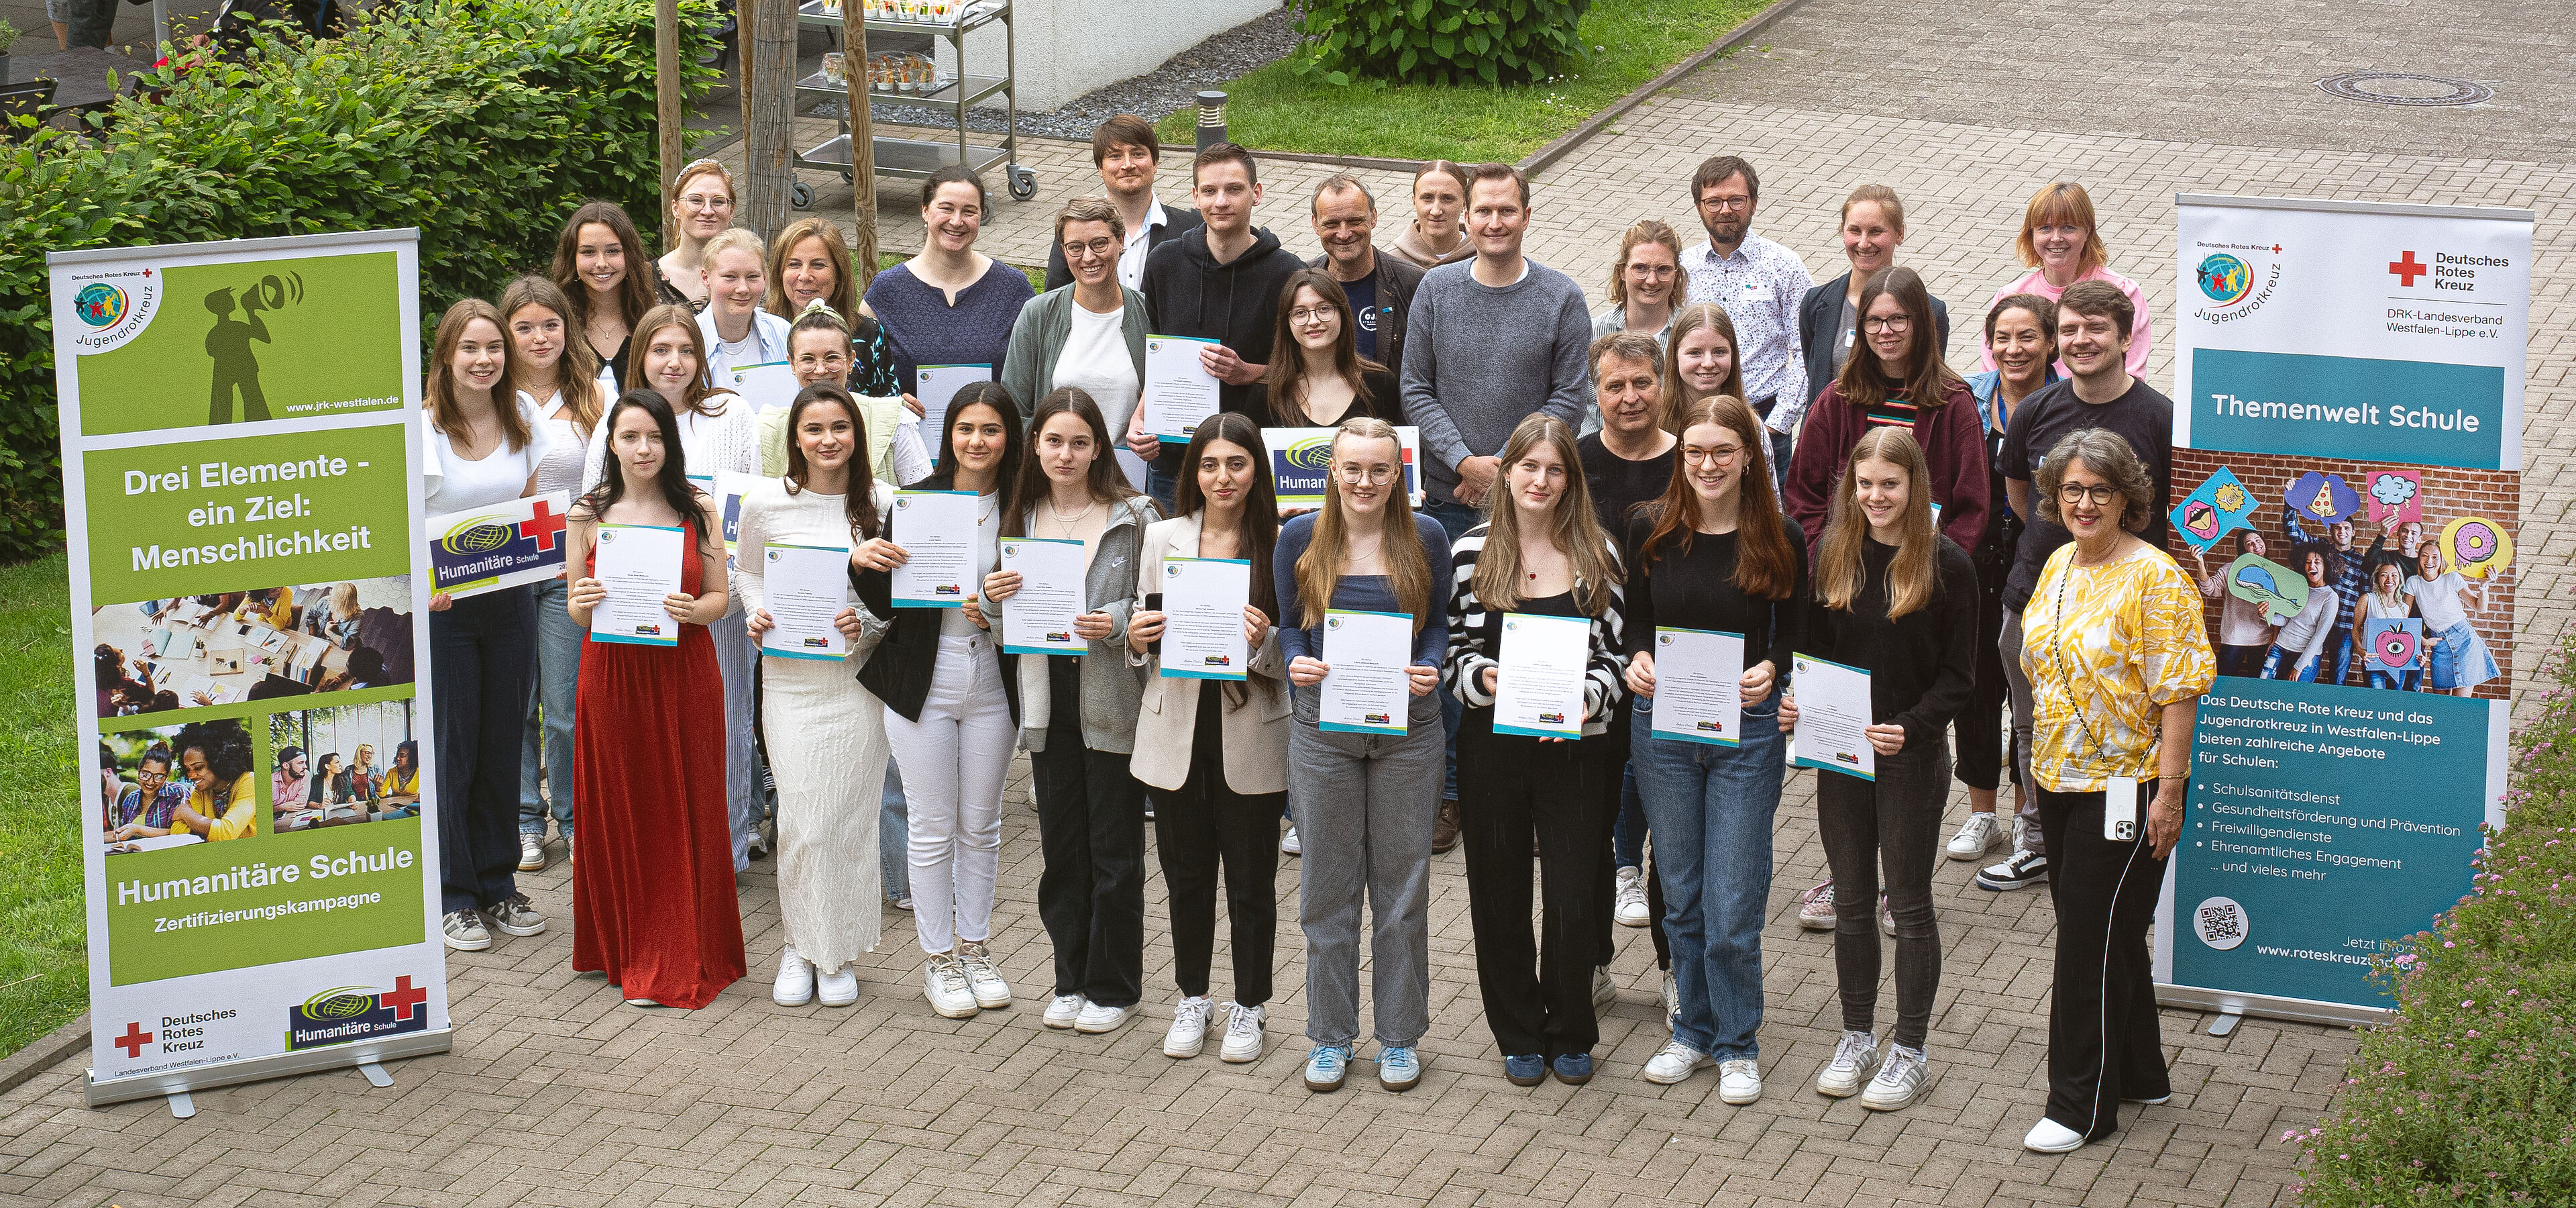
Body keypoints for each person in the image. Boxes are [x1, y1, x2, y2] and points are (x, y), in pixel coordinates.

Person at [2016, 428, 2213, 1152]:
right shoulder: (2061, 562)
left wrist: (2170, 793)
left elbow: (2181, 692)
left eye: (2101, 490)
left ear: (2127, 496)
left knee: (2086, 947)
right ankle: (2140, 1071)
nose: (2086, 502)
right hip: (2058, 779)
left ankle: (2078, 1107)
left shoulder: (2156, 578)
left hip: (2127, 789)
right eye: (2073, 490)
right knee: (2106, 933)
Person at [1780, 427, 1978, 1112]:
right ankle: (1857, 1036)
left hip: (1909, 758)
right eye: (1864, 485)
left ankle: (1911, 1050)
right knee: (1853, 904)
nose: (1875, 497)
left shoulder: (1949, 566)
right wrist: (1795, 703)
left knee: (1911, 904)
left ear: (1914, 485)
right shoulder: (1834, 554)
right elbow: (1808, 648)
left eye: (1889, 485)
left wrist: (1913, 727)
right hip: (1840, 753)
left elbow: (1961, 679)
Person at [1399, 160, 1593, 840]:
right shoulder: (1436, 291)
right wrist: (1464, 460)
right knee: (1461, 641)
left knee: (1527, 634)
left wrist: (1510, 468)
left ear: (1527, 217)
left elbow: (1571, 394)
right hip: (1453, 497)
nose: (1493, 222)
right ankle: (1455, 791)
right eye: (1482, 212)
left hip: (1536, 499)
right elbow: (1415, 388)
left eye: (1506, 211)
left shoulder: (1562, 297)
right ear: (1465, 218)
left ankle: (1533, 780)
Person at [1622, 395, 1805, 1104]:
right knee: (1684, 899)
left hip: (1745, 735)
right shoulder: (1652, 528)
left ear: (1748, 458)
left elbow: (1795, 631)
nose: (1706, 464)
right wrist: (1637, 657)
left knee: (1733, 904)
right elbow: (1638, 619)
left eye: (1722, 452)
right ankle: (1691, 1031)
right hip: (1663, 730)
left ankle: (1738, 1042)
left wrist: (1773, 668)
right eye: (1695, 452)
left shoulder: (1780, 534)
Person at [1444, 414, 1629, 1088]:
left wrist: (1590, 699)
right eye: (1530, 467)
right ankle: (1518, 1029)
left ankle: (1571, 1026)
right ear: (1508, 472)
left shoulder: (1599, 554)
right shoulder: (1469, 554)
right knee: (1498, 893)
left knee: (1575, 894)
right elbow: (1452, 655)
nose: (1542, 480)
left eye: (1556, 470)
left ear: (1569, 481)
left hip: (1577, 749)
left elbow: (1614, 656)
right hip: (1493, 745)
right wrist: (1481, 679)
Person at [1275, 417, 1454, 1094]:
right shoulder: (1300, 536)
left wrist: (1430, 666)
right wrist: (1296, 663)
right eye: (1353, 468)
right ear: (1333, 471)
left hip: (1409, 724)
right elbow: (1291, 624)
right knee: (1327, 885)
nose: (1365, 482)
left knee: (1403, 887)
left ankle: (1400, 1037)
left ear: (1398, 473)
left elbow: (1435, 626)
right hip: (1324, 727)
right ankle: (1329, 1036)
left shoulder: (1426, 536)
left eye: (1380, 470)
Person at [1980, 279, 2173, 894]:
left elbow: (2169, 509)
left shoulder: (2159, 417)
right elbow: (2021, 493)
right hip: (2036, 595)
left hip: (2124, 607)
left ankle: (2114, 845)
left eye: (2095, 329)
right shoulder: (2036, 409)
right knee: (2034, 721)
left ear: (2125, 336)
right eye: (2069, 329)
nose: (2081, 340)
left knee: (2123, 725)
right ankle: (2038, 842)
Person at [985, 389, 1161, 1035]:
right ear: (1035, 446)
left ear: (1099, 448)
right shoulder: (1020, 516)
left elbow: (1156, 603)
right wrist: (991, 594)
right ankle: (1069, 978)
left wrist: (1113, 622)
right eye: (1054, 441)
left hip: (1111, 697)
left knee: (1115, 850)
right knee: (1062, 849)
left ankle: (1114, 988)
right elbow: (1002, 624)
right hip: (1046, 698)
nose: (1066, 454)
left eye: (1080, 442)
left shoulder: (1134, 516)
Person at [566, 390, 747, 1009]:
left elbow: (721, 596)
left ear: (671, 443)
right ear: (611, 444)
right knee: (625, 803)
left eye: (655, 438)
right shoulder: (586, 513)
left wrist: (694, 610)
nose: (643, 450)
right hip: (612, 674)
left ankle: (673, 948)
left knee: (685, 804)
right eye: (630, 437)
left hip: (684, 672)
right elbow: (571, 605)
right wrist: (583, 602)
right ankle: (624, 944)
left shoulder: (696, 510)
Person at [853, 383, 1026, 1019]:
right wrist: (864, 560)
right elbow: (884, 603)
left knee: (980, 824)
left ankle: (976, 948)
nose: (977, 442)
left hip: (992, 682)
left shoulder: (1022, 508)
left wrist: (1007, 603)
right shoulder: (917, 501)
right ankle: (938, 961)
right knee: (931, 825)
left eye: (991, 429)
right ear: (947, 434)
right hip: (922, 680)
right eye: (965, 429)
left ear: (1010, 437)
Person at [1124, 413, 1287, 1062]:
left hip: (1251, 731)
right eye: (1210, 464)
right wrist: (1137, 640)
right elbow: (1144, 626)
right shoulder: (1163, 537)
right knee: (1185, 876)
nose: (1223, 477)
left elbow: (1295, 652)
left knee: (1252, 880)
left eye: (1237, 464)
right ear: (1193, 471)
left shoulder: (1280, 542)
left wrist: (1264, 644)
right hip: (1177, 730)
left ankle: (1251, 1004)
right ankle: (1194, 995)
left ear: (1257, 472)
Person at [739, 385, 898, 1008]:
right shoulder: (764, 503)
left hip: (855, 683)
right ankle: (798, 945)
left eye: (840, 427)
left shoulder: (882, 503)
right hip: (790, 680)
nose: (828, 440)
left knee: (848, 819)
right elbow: (748, 571)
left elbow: (899, 602)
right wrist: (757, 613)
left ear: (857, 435)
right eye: (814, 429)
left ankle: (836, 953)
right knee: (804, 820)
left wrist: (867, 622)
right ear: (794, 438)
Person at [590, 305, 764, 870]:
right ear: (640, 355)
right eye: (661, 350)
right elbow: (595, 512)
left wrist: (724, 595)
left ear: (702, 357)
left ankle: (728, 850)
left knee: (726, 726)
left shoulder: (730, 414)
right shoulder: (617, 419)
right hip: (635, 611)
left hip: (715, 595)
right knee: (654, 743)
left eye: (686, 350)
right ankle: (664, 856)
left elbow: (746, 508)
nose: (675, 362)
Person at [422, 298, 552, 952]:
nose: (484, 360)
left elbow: (528, 506)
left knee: (504, 744)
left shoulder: (525, 416)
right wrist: (424, 581)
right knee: (455, 751)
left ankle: (499, 885)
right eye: (470, 349)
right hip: (445, 615)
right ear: (447, 355)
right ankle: (454, 896)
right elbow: (398, 526)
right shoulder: (421, 429)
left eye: (494, 349)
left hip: (510, 605)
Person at [1130, 142, 1305, 508]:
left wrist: (1248, 373)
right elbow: (1158, 355)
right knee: (1174, 555)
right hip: (1175, 461)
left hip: (1254, 463)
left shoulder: (1288, 273)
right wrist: (1142, 416)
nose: (1221, 202)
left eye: (1234, 189)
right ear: (1195, 197)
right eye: (1209, 191)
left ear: (1256, 194)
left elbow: (1311, 370)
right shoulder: (1165, 263)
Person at [500, 275, 606, 873]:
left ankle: (573, 815)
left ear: (568, 330)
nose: (539, 338)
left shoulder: (596, 396)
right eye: (524, 327)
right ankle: (524, 820)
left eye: (550, 325)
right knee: (519, 701)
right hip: (508, 565)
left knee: (566, 706)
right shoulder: (490, 395)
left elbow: (608, 483)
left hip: (569, 565)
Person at [1576, 333, 1675, 957]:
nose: (1630, 397)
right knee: (1593, 810)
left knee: (1671, 824)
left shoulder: (1692, 460)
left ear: (1663, 387)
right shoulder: (1577, 461)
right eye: (1616, 386)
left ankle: (1674, 967)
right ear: (1597, 393)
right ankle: (1593, 959)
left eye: (1642, 383)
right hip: (1589, 658)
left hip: (1671, 658)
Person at [1949, 295, 2057, 862]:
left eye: (2028, 337)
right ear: (1989, 344)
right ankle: (1982, 814)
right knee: (1974, 690)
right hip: (1971, 563)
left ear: (2051, 343)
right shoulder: (1968, 396)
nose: (2014, 349)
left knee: (2030, 695)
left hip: (2037, 566)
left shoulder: (2065, 404)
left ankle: (2025, 816)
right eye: (2003, 338)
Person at [1784, 266, 1986, 558]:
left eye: (1898, 320)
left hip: (1922, 571)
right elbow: (1803, 495)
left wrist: (1937, 571)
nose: (1884, 331)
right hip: (1844, 569)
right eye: (1874, 321)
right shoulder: (1837, 398)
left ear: (1920, 322)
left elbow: (1972, 508)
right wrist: (1824, 561)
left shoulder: (1954, 403)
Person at [1679, 156, 1814, 489]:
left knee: (1770, 526)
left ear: (1753, 203)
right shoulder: (1682, 269)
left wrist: (1778, 423)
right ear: (1699, 207)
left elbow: (1806, 348)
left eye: (1736, 200)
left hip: (1764, 422)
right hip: (1696, 424)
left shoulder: (1784, 266)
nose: (1725, 209)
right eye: (1714, 201)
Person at [866, 166, 1038, 407]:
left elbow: (1037, 375)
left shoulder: (1012, 289)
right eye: (946, 208)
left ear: (981, 216)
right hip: (911, 440)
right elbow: (859, 380)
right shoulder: (887, 291)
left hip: (992, 441)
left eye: (969, 212)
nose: (957, 221)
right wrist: (891, 405)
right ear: (925, 211)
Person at [1004, 197, 1150, 454]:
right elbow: (1014, 410)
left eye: (1100, 244)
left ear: (1121, 241)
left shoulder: (1149, 313)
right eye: (1075, 247)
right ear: (1063, 251)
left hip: (1130, 477)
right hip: (1058, 475)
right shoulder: (1037, 314)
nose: (1088, 257)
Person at [1798, 185, 1949, 412]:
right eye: (1855, 231)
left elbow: (1930, 383)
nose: (1864, 243)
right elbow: (1816, 378)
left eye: (1876, 231)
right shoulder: (1817, 304)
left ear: (1900, 233)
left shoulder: (1930, 311)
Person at [1980, 183, 2153, 376]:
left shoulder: (2123, 292)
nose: (2056, 238)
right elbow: (1993, 376)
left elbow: (2131, 375)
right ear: (2032, 234)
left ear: (2087, 231)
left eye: (2068, 228)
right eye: (2045, 228)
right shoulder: (2010, 296)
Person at [1042, 114, 1205, 291]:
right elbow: (1055, 300)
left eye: (1138, 154)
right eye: (1115, 156)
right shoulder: (1075, 231)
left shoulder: (1191, 229)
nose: (1127, 165)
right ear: (1100, 168)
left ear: (1155, 163)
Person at [778, 303, 931, 486]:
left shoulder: (894, 419)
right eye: (808, 359)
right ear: (792, 363)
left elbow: (923, 497)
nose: (820, 370)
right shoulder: (771, 426)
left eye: (832, 358)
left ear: (851, 360)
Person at [767, 218, 905, 399]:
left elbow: (887, 405)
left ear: (838, 273)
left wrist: (901, 409)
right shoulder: (763, 331)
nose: (805, 275)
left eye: (818, 265)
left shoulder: (868, 333)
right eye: (794, 264)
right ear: (779, 272)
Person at [1252, 268, 1402, 430]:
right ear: (1287, 323)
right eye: (1300, 313)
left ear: (1342, 314)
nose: (1313, 321)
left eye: (1324, 309)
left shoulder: (1380, 383)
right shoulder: (1267, 391)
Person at [1306, 174, 1425, 370]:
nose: (1344, 234)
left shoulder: (1414, 284)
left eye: (1354, 221)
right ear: (1315, 225)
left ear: (1374, 218)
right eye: (1332, 224)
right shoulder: (1299, 283)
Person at [1583, 219, 1688, 436]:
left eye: (1663, 270)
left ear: (1676, 274)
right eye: (1640, 268)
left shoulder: (1690, 334)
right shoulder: (1593, 332)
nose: (1651, 280)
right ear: (1622, 271)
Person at [551, 201, 655, 387]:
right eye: (588, 252)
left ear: (629, 255)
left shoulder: (652, 321)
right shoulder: (556, 325)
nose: (601, 263)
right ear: (572, 258)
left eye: (613, 251)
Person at [694, 228, 793, 387]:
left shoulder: (783, 334)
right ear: (706, 278)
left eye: (752, 277)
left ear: (765, 278)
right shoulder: (688, 340)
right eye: (730, 277)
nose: (743, 288)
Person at [2408, 540, 2497, 697]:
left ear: (2442, 559)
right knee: (2441, 704)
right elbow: (2402, 616)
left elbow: (2480, 608)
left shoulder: (2451, 578)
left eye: (2435, 557)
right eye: (2425, 556)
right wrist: (2424, 641)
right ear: (2419, 558)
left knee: (2460, 705)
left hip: (2464, 641)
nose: (2429, 561)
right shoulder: (2413, 582)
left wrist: (2484, 586)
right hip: (2438, 644)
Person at [656, 159, 737, 310]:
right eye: (696, 200)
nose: (707, 211)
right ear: (676, 208)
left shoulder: (749, 279)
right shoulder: (645, 279)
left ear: (731, 211)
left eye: (718, 202)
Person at [2256, 544, 2341, 682]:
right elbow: (2285, 619)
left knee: (2294, 699)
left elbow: (2320, 636)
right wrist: (2266, 615)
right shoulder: (2299, 588)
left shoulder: (2330, 597)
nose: (2311, 566)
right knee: (2264, 688)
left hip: (2305, 656)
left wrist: (2299, 667)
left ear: (2326, 566)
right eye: (2308, 562)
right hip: (2280, 647)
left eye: (2317, 562)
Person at [1662, 303, 1748, 435]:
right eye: (1695, 353)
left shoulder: (1752, 425)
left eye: (1719, 352)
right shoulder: (1653, 420)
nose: (1708, 364)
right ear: (1675, 355)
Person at [168, 723, 260, 842]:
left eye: (198, 768)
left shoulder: (249, 781)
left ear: (218, 762)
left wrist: (185, 812)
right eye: (187, 769)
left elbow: (225, 834)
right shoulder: (200, 791)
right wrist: (210, 828)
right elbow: (177, 831)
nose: (191, 775)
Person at [1387, 160, 1474, 270]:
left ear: (1465, 204)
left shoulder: (1486, 258)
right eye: (1427, 198)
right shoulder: (1391, 263)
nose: (1436, 211)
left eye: (1447, 199)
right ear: (1414, 202)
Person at [2355, 557, 2424, 691]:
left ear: (2399, 580)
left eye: (2394, 575)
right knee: (2376, 703)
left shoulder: (2404, 607)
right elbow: (2356, 629)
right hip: (2373, 663)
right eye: (2384, 575)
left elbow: (2406, 638)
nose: (2389, 580)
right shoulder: (2367, 599)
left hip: (2399, 666)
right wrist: (2359, 650)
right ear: (2377, 578)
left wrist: (2418, 655)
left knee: (2393, 705)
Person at [105, 746, 188, 841]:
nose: (150, 782)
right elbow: (122, 834)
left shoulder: (176, 793)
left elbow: (180, 832)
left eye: (159, 777)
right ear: (139, 769)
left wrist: (137, 830)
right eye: (145, 775)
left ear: (167, 775)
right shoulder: (131, 799)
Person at [305, 581, 364, 649]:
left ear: (342, 603)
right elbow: (311, 617)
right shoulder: (326, 601)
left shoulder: (357, 617)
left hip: (339, 646)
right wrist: (312, 635)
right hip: (322, 639)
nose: (330, 598)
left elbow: (348, 645)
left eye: (334, 597)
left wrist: (329, 632)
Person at [271, 746, 309, 818]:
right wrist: (281, 807)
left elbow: (301, 804)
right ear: (286, 766)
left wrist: (274, 808)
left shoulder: (305, 775)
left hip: (290, 817)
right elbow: (260, 810)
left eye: (305, 762)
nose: (305, 767)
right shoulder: (270, 782)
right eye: (301, 763)